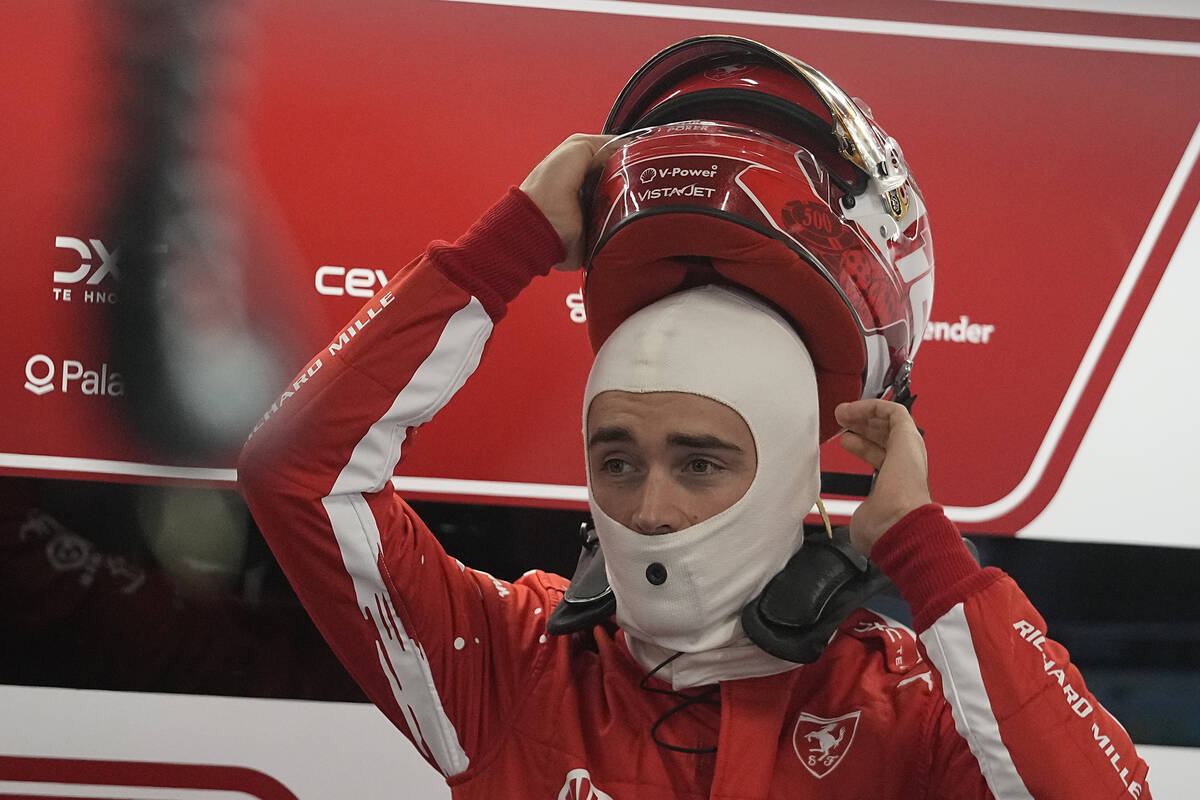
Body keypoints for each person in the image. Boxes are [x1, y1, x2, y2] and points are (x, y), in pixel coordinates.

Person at [238, 131, 1153, 798]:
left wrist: (927, 553)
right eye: (618, 461)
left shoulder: (905, 708)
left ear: (796, 476)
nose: (652, 508)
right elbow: (296, 474)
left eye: (702, 463)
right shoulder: (512, 670)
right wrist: (505, 247)